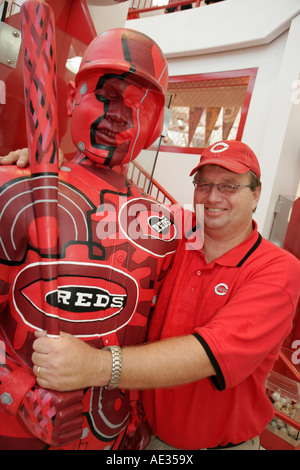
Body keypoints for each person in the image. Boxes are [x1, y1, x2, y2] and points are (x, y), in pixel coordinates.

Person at [28, 139, 300, 450]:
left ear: (255, 195)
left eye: (229, 186)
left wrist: (94, 366)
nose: (212, 197)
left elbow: (207, 355)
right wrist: (51, 168)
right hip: (140, 435)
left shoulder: (278, 269)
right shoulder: (174, 233)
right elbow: (105, 207)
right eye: (203, 184)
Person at [0, 28, 181, 450]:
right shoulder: (13, 189)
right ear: (69, 97)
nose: (119, 114)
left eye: (139, 105)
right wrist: (20, 391)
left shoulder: (167, 228)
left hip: (113, 437)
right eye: (107, 93)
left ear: (154, 125)